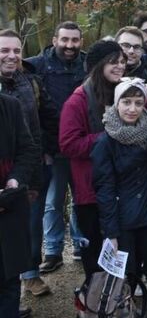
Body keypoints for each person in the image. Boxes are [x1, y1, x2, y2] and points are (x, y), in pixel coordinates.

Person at [59, 40, 147, 282]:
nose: (120, 66)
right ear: (98, 65)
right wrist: (110, 137)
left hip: (125, 191)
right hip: (91, 190)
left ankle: (121, 299)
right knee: (96, 255)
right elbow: (68, 144)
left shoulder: (123, 92)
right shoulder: (79, 100)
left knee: (125, 257)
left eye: (122, 62)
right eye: (113, 62)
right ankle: (93, 302)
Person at [91, 78, 147, 317]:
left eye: (138, 102)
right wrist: (111, 234)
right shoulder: (105, 142)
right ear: (116, 104)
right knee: (127, 276)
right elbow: (104, 190)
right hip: (123, 221)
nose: (132, 109)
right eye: (126, 102)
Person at [0, 29, 59, 301]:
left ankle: (28, 277)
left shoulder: (31, 82)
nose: (11, 56)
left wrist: (45, 156)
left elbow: (48, 119)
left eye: (16, 51)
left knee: (26, 230)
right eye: (4, 51)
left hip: (25, 171)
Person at [24, 22, 87, 272]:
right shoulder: (37, 65)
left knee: (82, 199)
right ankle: (53, 250)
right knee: (53, 202)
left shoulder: (87, 63)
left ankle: (82, 245)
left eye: (75, 40)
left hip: (82, 146)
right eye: (65, 40)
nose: (70, 45)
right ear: (54, 39)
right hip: (53, 147)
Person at [0, 92, 39, 318]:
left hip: (10, 205)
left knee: (9, 278)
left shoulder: (11, 106)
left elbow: (28, 149)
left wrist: (16, 179)